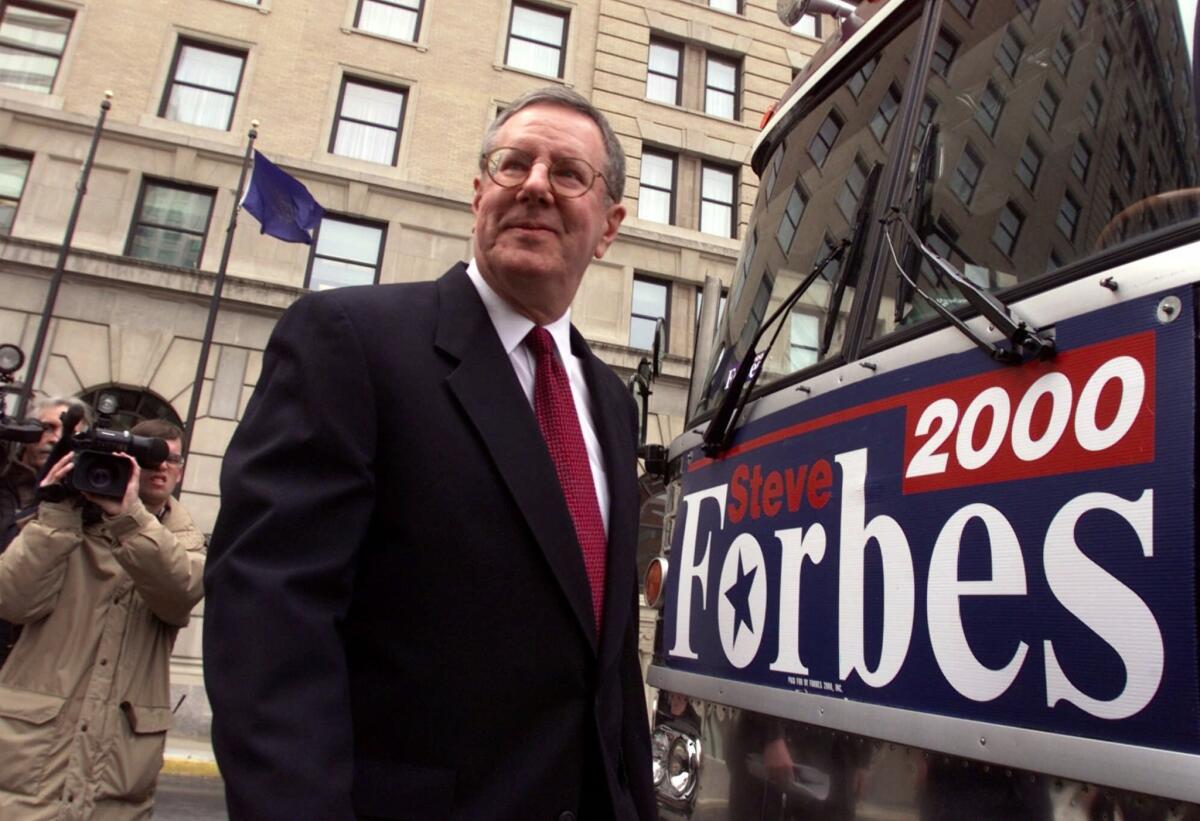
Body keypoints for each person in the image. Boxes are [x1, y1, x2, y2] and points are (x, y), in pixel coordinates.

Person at [203, 85, 655, 820]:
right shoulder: (350, 341)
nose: (535, 185)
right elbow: (269, 622)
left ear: (608, 227)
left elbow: (608, 661)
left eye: (568, 173)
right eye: (513, 164)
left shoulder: (609, 400)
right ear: (480, 193)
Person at [0, 419, 206, 819]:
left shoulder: (186, 542)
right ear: (126, 463)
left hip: (116, 778)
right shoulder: (63, 524)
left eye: (171, 460)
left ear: (181, 469)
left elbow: (177, 593)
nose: (161, 468)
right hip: (28, 769)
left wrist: (129, 518)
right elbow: (13, 602)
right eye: (150, 459)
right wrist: (56, 516)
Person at [0, 396, 93, 667]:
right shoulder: (4, 483)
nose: (55, 438)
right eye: (47, 427)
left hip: (38, 657)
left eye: (69, 432)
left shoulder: (87, 505)